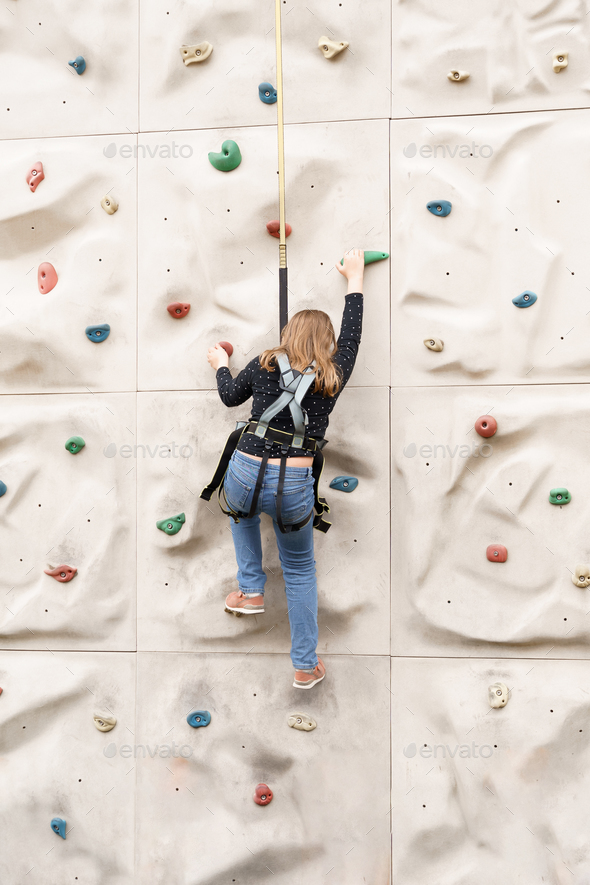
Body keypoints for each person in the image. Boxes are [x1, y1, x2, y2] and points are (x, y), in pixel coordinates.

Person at [206, 249, 365, 689]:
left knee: (239, 512)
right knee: (298, 570)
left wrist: (221, 364)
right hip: (293, 484)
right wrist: (355, 279)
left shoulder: (262, 362)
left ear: (288, 333)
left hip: (243, 470)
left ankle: (251, 590)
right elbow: (353, 334)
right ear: (328, 344)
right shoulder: (333, 374)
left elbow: (229, 397)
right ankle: (304, 665)